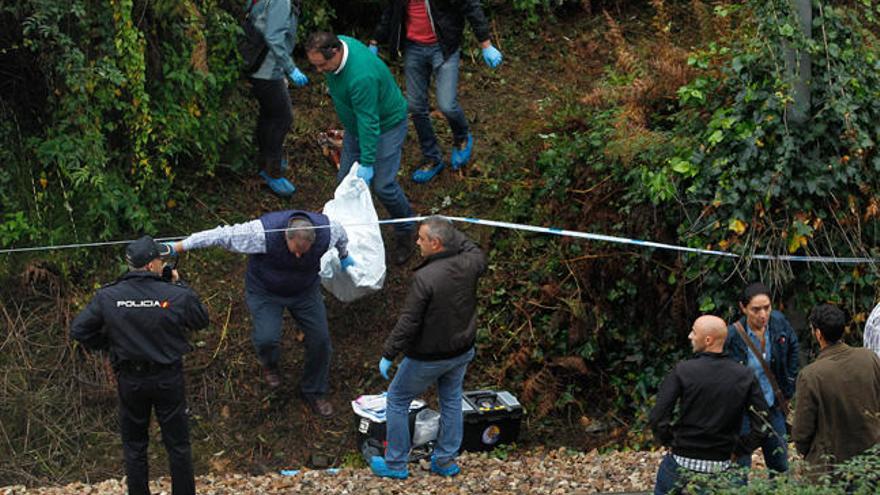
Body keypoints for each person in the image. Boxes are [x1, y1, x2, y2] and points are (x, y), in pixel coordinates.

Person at [168, 210, 353, 417]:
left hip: (304, 291)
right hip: (266, 291)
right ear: (286, 236)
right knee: (267, 339)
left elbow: (342, 235)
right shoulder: (261, 233)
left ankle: (314, 390)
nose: (299, 256)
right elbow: (221, 235)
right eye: (295, 251)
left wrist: (344, 255)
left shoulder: (327, 231)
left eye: (304, 252)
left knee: (321, 341)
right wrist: (179, 247)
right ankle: (270, 364)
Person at [70, 236, 210, 495]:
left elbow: (79, 330)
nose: (162, 263)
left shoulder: (108, 296)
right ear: (150, 265)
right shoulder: (175, 294)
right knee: (178, 444)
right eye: (159, 259)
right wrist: (178, 283)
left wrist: (109, 343)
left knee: (134, 445)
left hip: (131, 379)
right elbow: (201, 320)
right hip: (168, 378)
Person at [369, 216, 487, 479]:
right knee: (452, 399)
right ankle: (445, 461)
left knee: (397, 399)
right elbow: (471, 247)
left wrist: (389, 353)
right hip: (461, 350)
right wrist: (450, 229)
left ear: (435, 243)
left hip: (428, 356)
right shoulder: (472, 262)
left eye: (421, 238)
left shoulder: (426, 277)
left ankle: (395, 464)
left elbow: (408, 322)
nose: (417, 242)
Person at [304, 31, 417, 265]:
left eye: (322, 65)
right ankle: (349, 237)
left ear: (335, 52)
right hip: (357, 127)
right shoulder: (339, 44)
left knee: (383, 185)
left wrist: (367, 162)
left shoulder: (360, 77)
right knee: (345, 182)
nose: (319, 71)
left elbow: (370, 122)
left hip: (386, 125)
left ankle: (406, 229)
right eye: (315, 65)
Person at [370, 0, 503, 183]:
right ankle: (432, 158)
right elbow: (390, 13)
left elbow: (471, 7)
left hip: (444, 47)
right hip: (413, 48)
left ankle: (462, 136)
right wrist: (375, 41)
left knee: (446, 104)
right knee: (416, 107)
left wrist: (486, 44)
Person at [649, 315, 769, 495]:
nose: (690, 336)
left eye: (694, 332)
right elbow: (763, 422)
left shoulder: (683, 371)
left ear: (708, 340)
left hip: (681, 463)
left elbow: (658, 416)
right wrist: (740, 448)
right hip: (723, 464)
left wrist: (671, 441)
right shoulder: (744, 376)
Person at [791, 304, 880, 473]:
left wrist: (805, 451)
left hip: (830, 468)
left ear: (818, 334)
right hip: (870, 461)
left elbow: (802, 432)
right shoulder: (869, 358)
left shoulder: (810, 375)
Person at [725, 282, 799, 474]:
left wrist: (789, 385)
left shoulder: (778, 322)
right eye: (756, 309)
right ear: (743, 308)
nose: (763, 314)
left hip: (772, 404)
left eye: (767, 308)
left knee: (780, 463)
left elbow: (793, 349)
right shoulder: (733, 336)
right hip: (743, 409)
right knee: (738, 468)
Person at [248, 0, 309, 197]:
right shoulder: (281, 1)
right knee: (283, 118)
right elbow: (273, 36)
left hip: (262, 67)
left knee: (269, 115)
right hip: (267, 70)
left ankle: (265, 161)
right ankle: (272, 172)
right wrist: (291, 68)